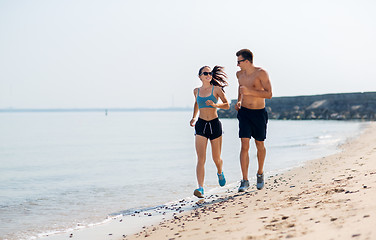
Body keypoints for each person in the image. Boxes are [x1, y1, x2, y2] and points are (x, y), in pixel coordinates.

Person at [235, 49, 272, 192]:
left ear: (247, 61)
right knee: (244, 144)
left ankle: (260, 173)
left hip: (259, 113)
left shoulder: (261, 73)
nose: (237, 65)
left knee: (259, 144)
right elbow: (240, 88)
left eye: (239, 61)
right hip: (244, 112)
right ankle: (244, 180)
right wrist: (239, 100)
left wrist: (250, 92)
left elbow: (269, 94)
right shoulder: (239, 74)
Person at [190, 65, 230, 198]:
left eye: (210, 73)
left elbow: (227, 104)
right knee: (201, 158)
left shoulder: (216, 89)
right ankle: (200, 188)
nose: (208, 75)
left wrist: (215, 105)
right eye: (205, 73)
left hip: (214, 124)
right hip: (201, 125)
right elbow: (196, 103)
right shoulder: (196, 91)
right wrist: (194, 117)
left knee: (216, 158)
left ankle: (220, 171)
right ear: (200, 76)